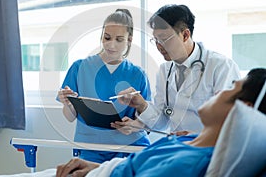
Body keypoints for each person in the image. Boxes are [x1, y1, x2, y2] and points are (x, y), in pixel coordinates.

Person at [56, 68, 266, 177]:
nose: (219, 91)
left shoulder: (190, 162)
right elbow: (137, 167)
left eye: (231, 87)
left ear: (244, 108)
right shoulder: (188, 140)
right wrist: (97, 168)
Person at [112, 4, 240, 134]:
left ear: (185, 35)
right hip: (177, 146)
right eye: (156, 40)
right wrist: (141, 104)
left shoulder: (221, 67)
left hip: (208, 149)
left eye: (164, 39)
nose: (159, 46)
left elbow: (229, 121)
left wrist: (195, 136)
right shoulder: (164, 71)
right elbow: (161, 122)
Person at [57, 9, 152, 163]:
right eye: (107, 37)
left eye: (119, 39)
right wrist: (67, 102)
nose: (111, 44)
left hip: (130, 147)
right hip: (91, 148)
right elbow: (69, 117)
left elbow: (148, 122)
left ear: (129, 39)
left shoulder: (138, 74)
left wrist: (135, 125)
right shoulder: (79, 68)